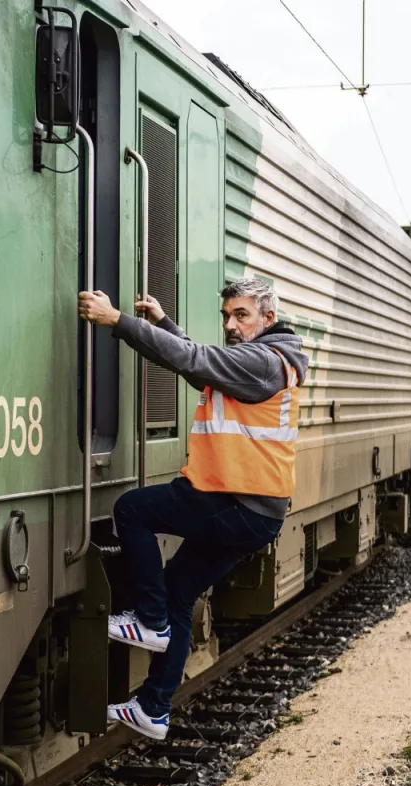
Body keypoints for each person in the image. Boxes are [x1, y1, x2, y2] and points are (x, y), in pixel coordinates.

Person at [76, 277, 309, 740]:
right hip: (253, 508)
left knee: (132, 511)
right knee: (179, 591)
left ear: (268, 318)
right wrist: (164, 323)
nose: (231, 324)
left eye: (241, 315)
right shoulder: (261, 360)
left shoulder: (264, 361)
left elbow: (198, 359)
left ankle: (148, 620)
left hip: (236, 501)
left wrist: (116, 321)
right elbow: (202, 364)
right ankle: (153, 709)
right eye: (226, 316)